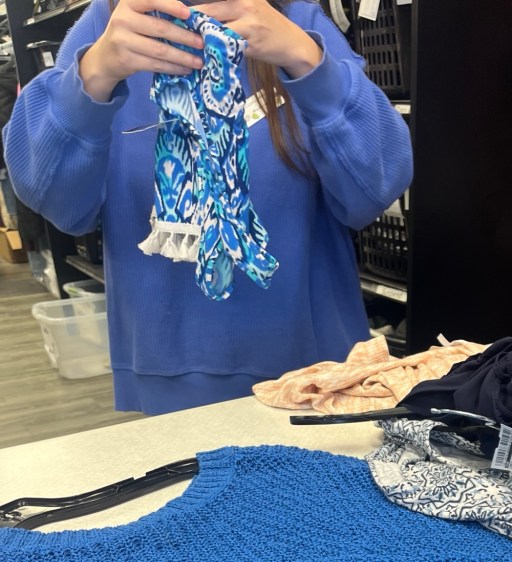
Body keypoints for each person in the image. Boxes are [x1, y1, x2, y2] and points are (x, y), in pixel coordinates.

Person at [3, 0, 413, 414]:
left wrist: (306, 60)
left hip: (317, 376)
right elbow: (58, 202)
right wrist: (94, 75)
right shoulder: (111, 22)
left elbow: (376, 187)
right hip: (173, 372)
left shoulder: (293, 17)